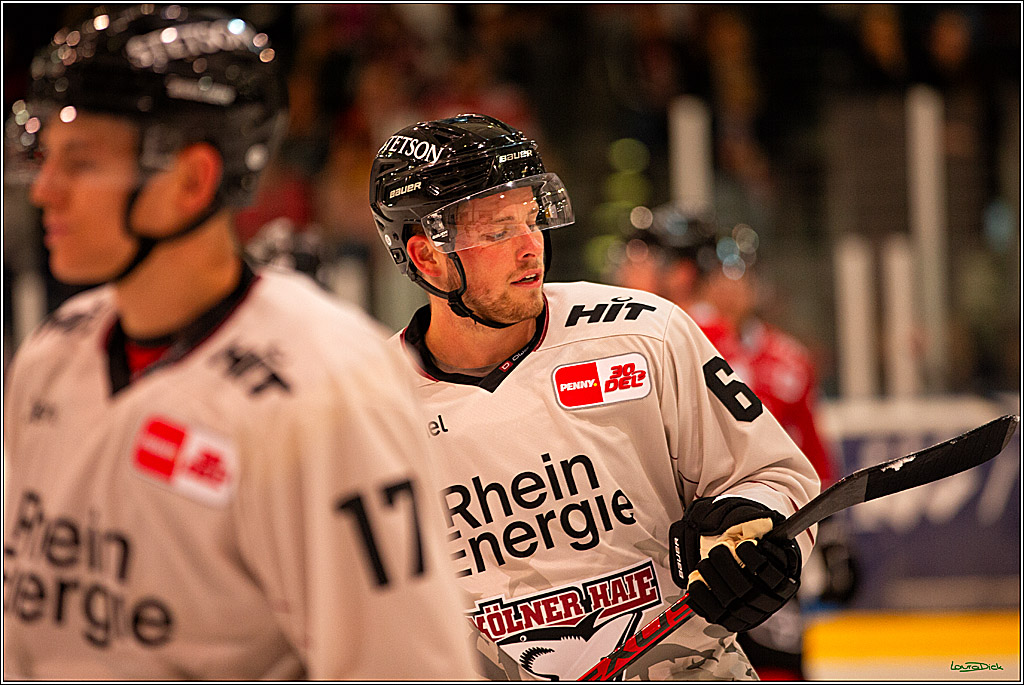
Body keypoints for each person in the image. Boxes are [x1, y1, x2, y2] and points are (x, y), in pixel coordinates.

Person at [3, 6, 477, 679]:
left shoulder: (327, 384)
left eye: (81, 162)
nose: (45, 190)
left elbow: (402, 666)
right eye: (43, 156)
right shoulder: (51, 355)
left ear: (192, 180)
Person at [368, 113, 820, 680]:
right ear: (426, 255)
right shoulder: (368, 407)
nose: (531, 246)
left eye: (532, 218)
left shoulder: (644, 333)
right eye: (497, 230)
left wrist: (753, 523)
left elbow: (774, 475)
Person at [613, 208, 857, 680]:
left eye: (641, 255)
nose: (627, 267)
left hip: (717, 554)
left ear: (680, 271)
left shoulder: (685, 344)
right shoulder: (643, 340)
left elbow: (801, 454)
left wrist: (832, 536)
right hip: (700, 557)